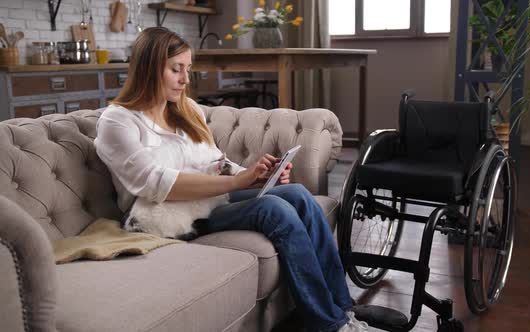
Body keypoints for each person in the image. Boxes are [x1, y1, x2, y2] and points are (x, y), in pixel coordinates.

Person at [94, 27, 368, 332]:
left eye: (188, 69)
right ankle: (329, 325)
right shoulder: (118, 120)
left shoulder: (187, 110)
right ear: (147, 69)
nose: (186, 79)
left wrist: (258, 176)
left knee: (297, 194)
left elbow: (216, 163)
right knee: (274, 210)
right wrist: (239, 183)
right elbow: (156, 184)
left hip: (209, 203)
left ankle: (344, 310)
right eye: (176, 70)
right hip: (168, 221)